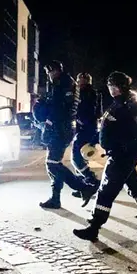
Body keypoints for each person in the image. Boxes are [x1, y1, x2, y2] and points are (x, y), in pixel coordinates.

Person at [72, 71, 137, 242]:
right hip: (119, 153)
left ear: (122, 86)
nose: (111, 90)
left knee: (106, 190)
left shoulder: (130, 105)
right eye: (110, 87)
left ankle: (94, 227)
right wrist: (94, 140)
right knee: (134, 187)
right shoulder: (117, 103)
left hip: (123, 154)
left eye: (114, 86)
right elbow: (106, 127)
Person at [39, 60, 96, 209]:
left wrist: (48, 124)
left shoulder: (63, 84)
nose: (49, 75)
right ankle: (56, 198)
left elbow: (59, 109)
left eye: (50, 72)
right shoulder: (65, 83)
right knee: (54, 163)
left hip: (60, 129)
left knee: (52, 164)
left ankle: (83, 187)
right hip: (64, 128)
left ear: (56, 70)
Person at [71, 72, 102, 194]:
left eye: (82, 80)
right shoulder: (91, 93)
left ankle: (91, 179)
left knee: (76, 159)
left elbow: (89, 111)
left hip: (85, 130)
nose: (80, 82)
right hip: (86, 129)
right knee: (82, 159)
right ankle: (83, 186)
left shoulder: (86, 94)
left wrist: (79, 118)